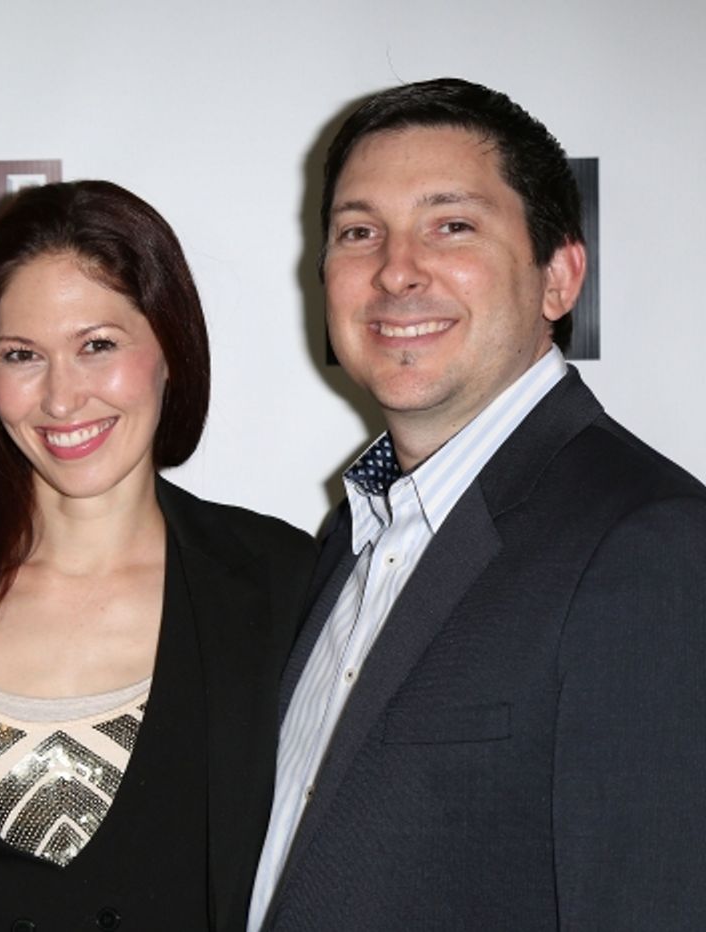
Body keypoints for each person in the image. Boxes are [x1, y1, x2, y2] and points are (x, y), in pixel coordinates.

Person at [248, 77, 706, 931]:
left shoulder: (651, 544)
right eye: (359, 232)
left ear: (559, 277)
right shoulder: (352, 532)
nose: (395, 269)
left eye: (451, 224)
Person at [0, 179, 317, 931]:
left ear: (170, 349)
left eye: (97, 345)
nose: (61, 399)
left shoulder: (281, 586)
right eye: (22, 354)